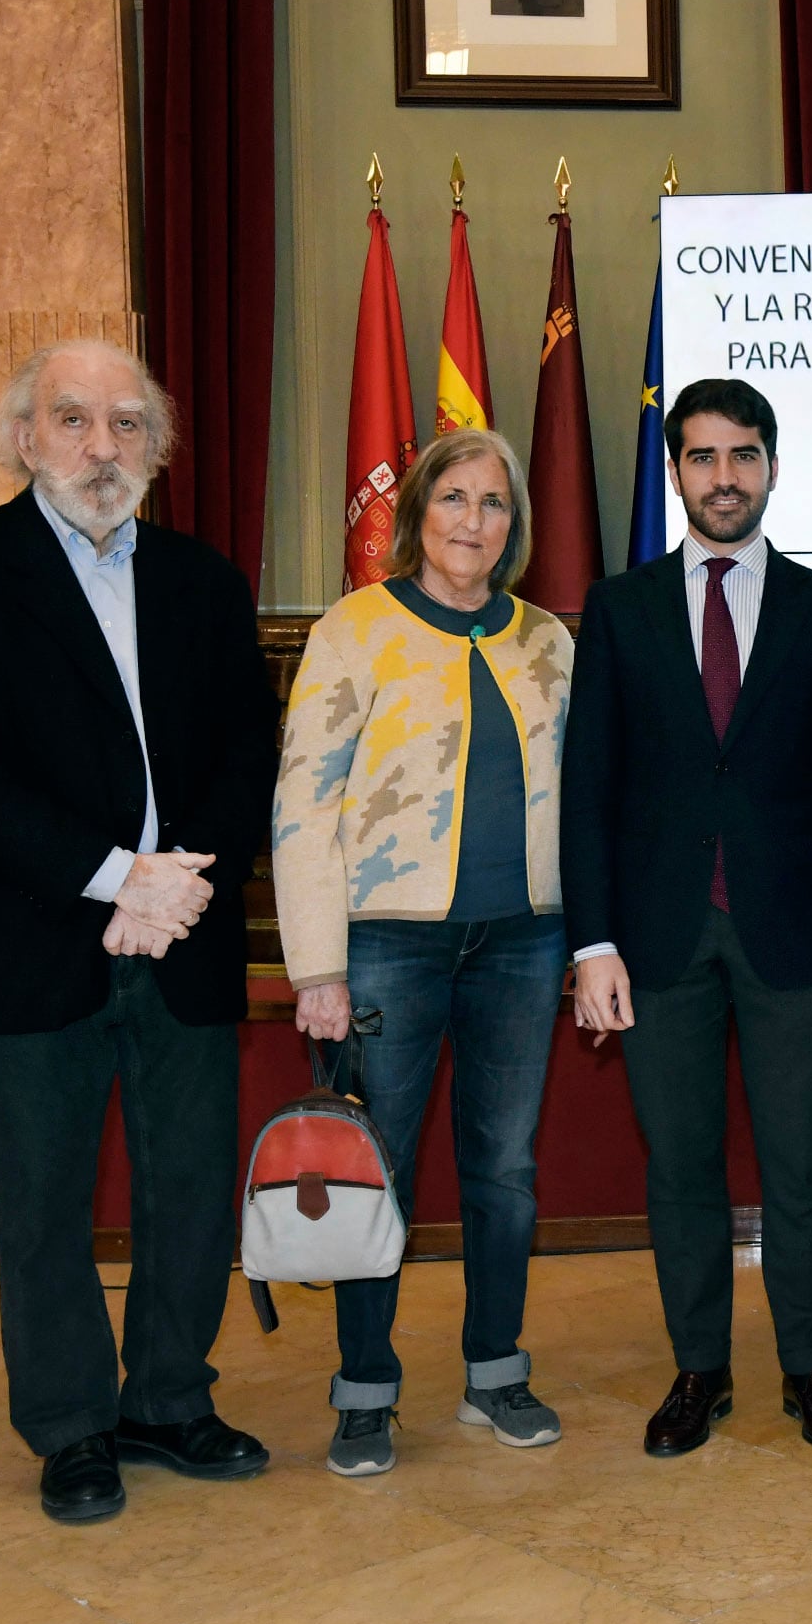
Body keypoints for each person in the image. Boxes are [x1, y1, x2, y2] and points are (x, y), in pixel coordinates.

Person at [0, 340, 280, 1526]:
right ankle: (68, 1425)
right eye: (72, 420)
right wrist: (120, 880)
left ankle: (168, 1396)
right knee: (47, 1201)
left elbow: (243, 749)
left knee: (188, 1186)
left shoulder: (204, 580)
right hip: (35, 937)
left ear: (156, 449)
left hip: (189, 933)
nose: (99, 448)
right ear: (23, 438)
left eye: (126, 425)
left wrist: (179, 883)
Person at [566, 380, 812, 1460]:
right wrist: (594, 942)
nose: (723, 477)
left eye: (741, 456)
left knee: (803, 1166)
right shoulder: (619, 610)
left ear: (770, 466)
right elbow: (589, 790)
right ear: (676, 472)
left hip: (797, 939)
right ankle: (700, 1369)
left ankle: (810, 1370)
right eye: (701, 457)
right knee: (682, 1170)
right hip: (657, 942)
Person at [273, 428, 574, 1477]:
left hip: (524, 943)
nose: (473, 521)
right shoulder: (354, 631)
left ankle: (497, 1370)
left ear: (514, 526)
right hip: (384, 948)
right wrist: (316, 966)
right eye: (454, 497)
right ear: (417, 515)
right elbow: (302, 804)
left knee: (505, 1169)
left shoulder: (546, 640)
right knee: (376, 1172)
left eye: (494, 504)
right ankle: (365, 1388)